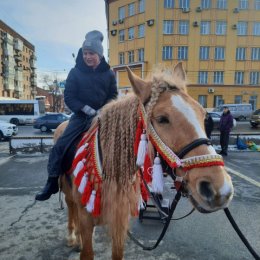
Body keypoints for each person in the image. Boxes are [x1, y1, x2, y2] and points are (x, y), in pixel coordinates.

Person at [35, 30, 118, 201]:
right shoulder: (75, 72)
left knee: (124, 143)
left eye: (91, 53)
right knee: (61, 145)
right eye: (85, 53)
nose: (87, 57)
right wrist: (85, 109)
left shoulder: (109, 73)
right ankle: (52, 181)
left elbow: (113, 95)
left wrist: (104, 109)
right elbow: (69, 97)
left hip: (103, 117)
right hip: (81, 117)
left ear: (100, 55)